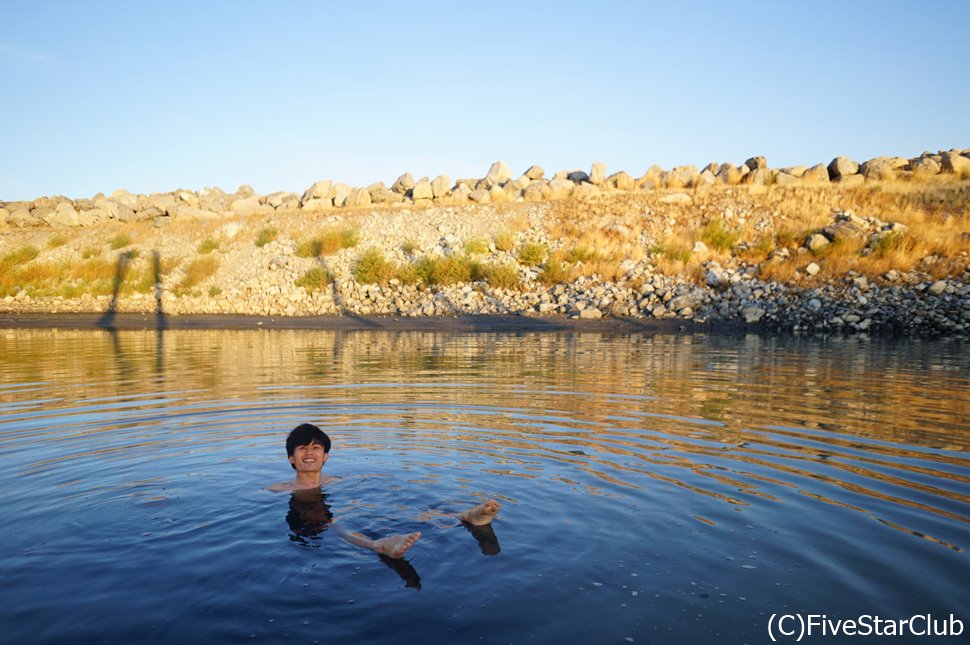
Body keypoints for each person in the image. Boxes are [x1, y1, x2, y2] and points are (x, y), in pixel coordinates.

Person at [268, 423, 501, 560]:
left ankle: (463, 516)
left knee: (394, 510)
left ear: (326, 456)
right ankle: (378, 545)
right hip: (307, 516)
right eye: (302, 448)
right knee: (337, 526)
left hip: (339, 504)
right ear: (291, 457)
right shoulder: (278, 489)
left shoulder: (337, 481)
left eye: (316, 447)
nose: (309, 453)